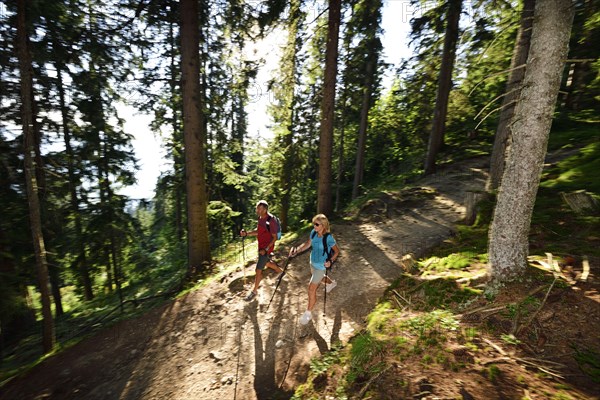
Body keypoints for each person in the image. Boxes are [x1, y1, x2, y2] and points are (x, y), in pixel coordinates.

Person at [290, 214, 340, 325]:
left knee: (311, 288)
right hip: (312, 263)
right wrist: (296, 251)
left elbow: (337, 251)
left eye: (317, 224)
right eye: (313, 224)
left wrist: (330, 261)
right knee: (321, 279)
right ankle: (331, 283)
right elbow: (308, 244)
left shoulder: (328, 238)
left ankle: (308, 313)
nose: (314, 226)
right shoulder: (313, 233)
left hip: (321, 266)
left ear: (323, 225)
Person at [240, 200, 284, 301]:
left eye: (259, 209)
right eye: (257, 208)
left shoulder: (271, 221)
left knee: (258, 270)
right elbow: (258, 232)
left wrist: (266, 249)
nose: (257, 210)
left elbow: (274, 238)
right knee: (267, 263)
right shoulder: (260, 218)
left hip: (266, 248)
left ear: (265, 209)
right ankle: (281, 272)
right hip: (261, 247)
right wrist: (246, 234)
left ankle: (254, 292)